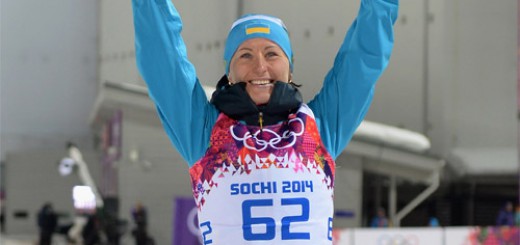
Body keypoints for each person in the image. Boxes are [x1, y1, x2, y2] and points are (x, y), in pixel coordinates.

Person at [131, 0, 398, 243]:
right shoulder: (205, 132)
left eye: (272, 53)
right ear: (230, 73)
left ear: (290, 67)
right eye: (245, 55)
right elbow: (162, 57)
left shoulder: (319, 128)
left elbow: (363, 60)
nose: (260, 67)